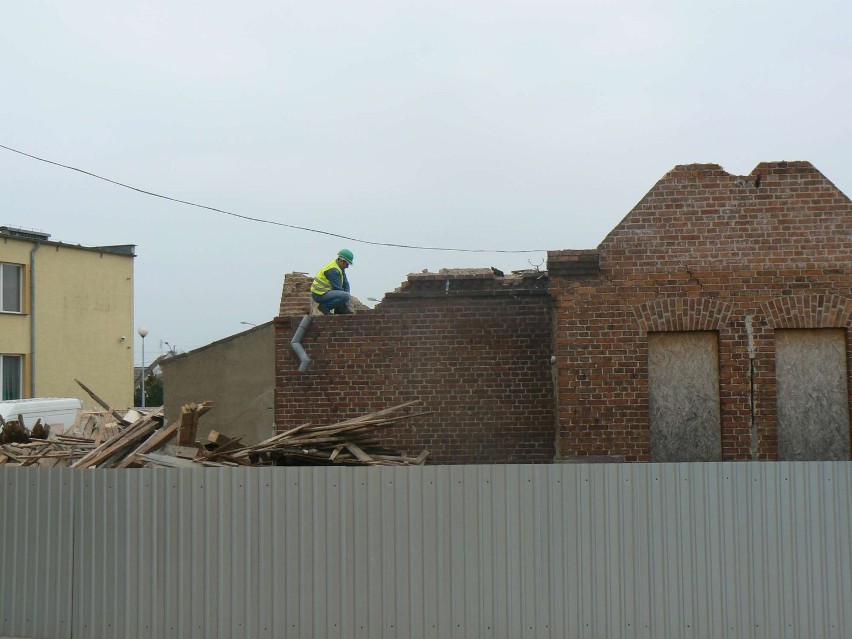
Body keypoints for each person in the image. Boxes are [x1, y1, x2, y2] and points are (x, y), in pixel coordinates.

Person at [310, 249, 355, 315]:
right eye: (347, 264)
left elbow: (346, 284)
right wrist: (345, 301)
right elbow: (338, 288)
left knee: (346, 296)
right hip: (319, 294)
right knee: (345, 296)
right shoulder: (333, 270)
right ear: (341, 261)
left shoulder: (340, 267)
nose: (348, 266)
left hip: (326, 292)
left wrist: (345, 301)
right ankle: (325, 307)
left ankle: (340, 308)